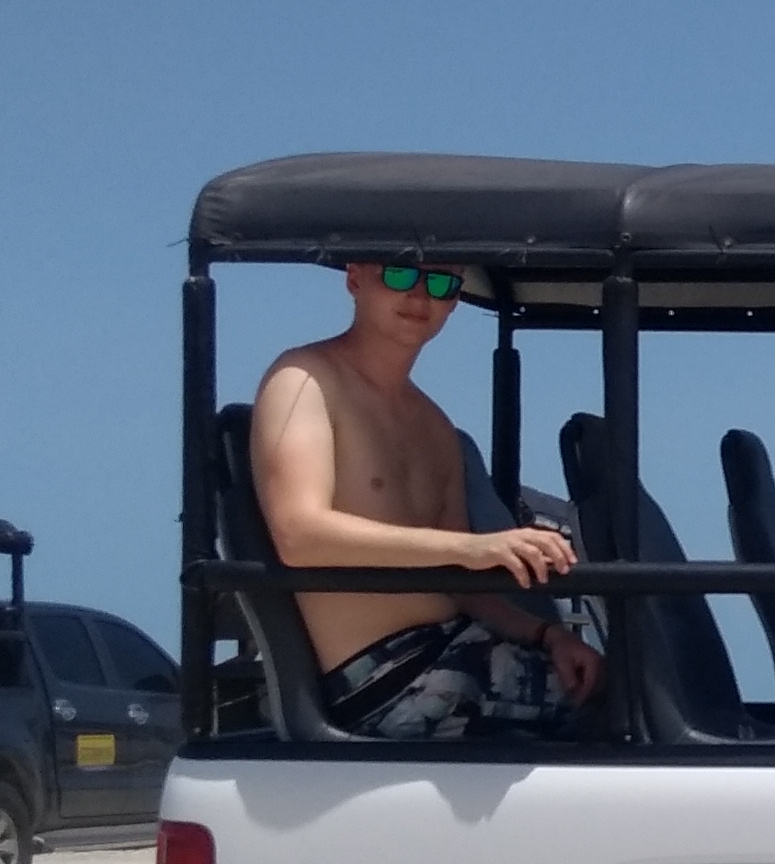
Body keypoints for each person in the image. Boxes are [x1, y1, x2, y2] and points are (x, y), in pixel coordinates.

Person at [253, 260, 604, 739]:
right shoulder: (304, 379)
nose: (420, 297)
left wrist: (549, 635)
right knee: (623, 712)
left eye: (440, 284)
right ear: (355, 279)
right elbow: (299, 534)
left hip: (461, 651)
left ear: (454, 302)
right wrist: (471, 548)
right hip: (385, 680)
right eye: (399, 275)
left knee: (617, 684)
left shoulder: (436, 426)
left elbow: (462, 585)